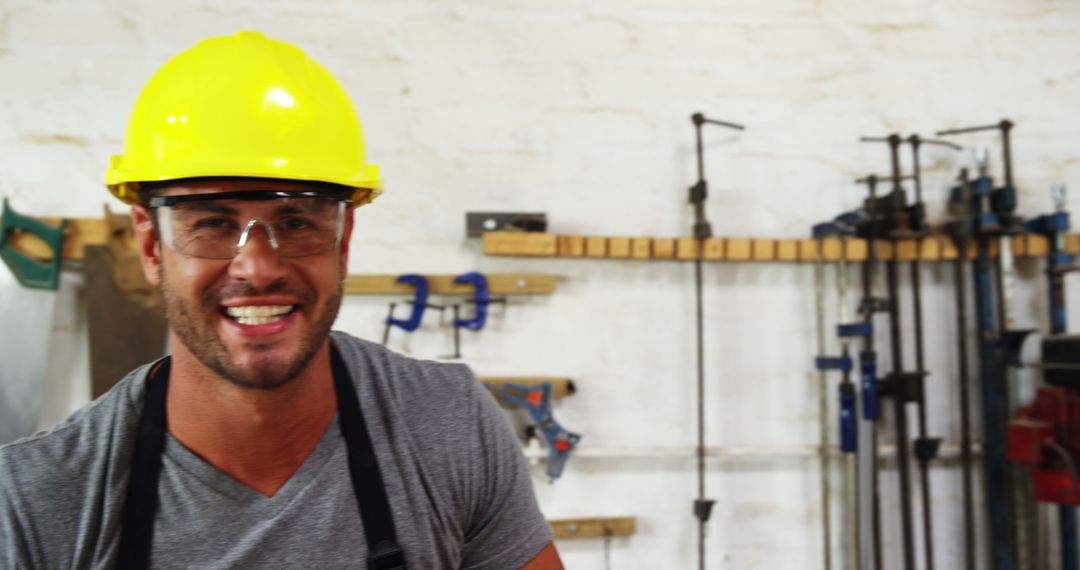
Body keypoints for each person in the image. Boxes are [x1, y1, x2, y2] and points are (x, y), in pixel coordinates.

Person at [0, 31, 562, 569]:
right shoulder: (35, 503)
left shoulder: (449, 427)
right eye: (214, 223)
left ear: (343, 242)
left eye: (295, 222)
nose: (258, 267)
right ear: (151, 245)